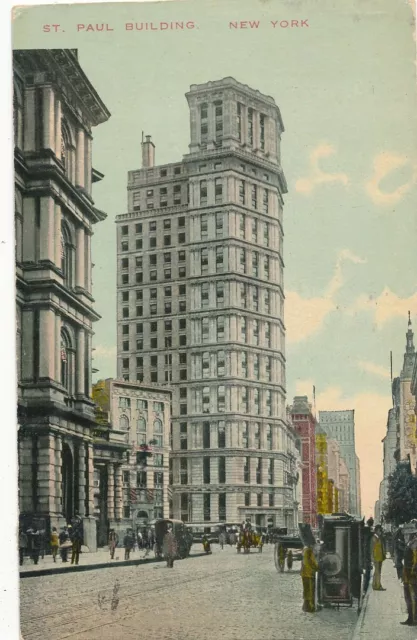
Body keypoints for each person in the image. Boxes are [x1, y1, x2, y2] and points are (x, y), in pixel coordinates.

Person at [401, 530, 417, 626]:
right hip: (407, 574)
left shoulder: (414, 544)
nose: (406, 535)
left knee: (413, 597)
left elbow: (415, 562)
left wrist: (412, 572)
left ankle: (413, 619)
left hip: (412, 575)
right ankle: (410, 618)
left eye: (408, 533)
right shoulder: (410, 543)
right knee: (408, 597)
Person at [300, 545, 319, 612]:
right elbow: (313, 562)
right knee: (311, 591)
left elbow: (304, 562)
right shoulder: (310, 551)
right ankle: (311, 607)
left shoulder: (305, 549)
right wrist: (317, 568)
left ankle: (305, 606)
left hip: (304, 573)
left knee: (306, 590)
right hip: (309, 574)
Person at [371, 524, 386, 590]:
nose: (381, 532)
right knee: (378, 572)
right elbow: (371, 549)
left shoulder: (379, 538)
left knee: (377, 571)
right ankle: (378, 586)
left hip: (379, 557)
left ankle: (374, 585)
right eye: (380, 530)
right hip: (376, 558)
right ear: (376, 531)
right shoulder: (374, 538)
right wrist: (372, 557)